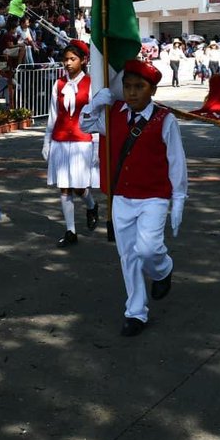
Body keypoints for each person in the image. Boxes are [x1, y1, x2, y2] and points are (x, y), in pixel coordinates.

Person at [80, 59, 187, 337]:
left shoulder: (165, 119)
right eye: (127, 86)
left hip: (153, 196)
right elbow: (85, 125)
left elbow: (176, 161)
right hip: (122, 196)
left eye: (139, 87)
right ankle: (136, 311)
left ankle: (162, 269)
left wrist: (179, 198)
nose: (132, 92)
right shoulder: (114, 113)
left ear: (152, 90)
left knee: (149, 249)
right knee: (128, 255)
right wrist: (94, 104)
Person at [42, 40, 100, 248]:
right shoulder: (58, 84)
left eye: (72, 59)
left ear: (83, 60)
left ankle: (91, 205)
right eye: (65, 59)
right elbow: (53, 114)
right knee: (64, 187)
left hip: (82, 141)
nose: (68, 63)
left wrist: (97, 143)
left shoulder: (91, 84)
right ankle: (70, 231)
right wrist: (47, 140)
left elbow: (95, 116)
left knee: (78, 186)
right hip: (60, 140)